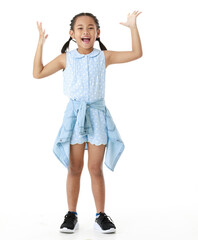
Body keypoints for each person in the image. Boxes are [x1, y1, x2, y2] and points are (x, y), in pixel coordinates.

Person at [33, 11, 142, 234]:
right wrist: (40, 44)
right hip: (74, 117)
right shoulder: (66, 58)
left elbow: (136, 53)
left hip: (97, 116)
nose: (86, 31)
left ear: (97, 33)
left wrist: (132, 27)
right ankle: (71, 215)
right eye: (80, 28)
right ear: (72, 34)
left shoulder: (104, 56)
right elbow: (38, 72)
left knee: (95, 168)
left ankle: (100, 215)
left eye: (91, 27)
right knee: (74, 168)